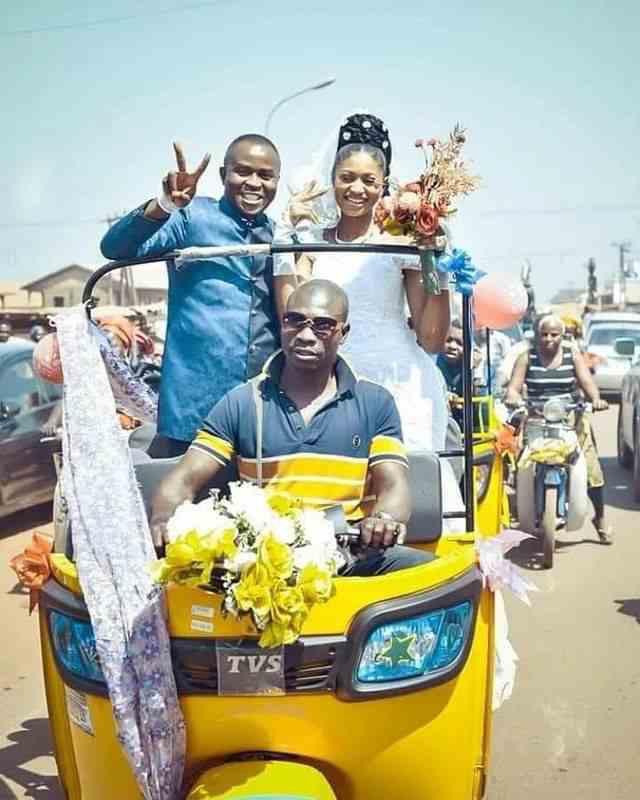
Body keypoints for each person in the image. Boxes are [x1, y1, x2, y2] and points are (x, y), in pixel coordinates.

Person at [150, 280, 432, 576]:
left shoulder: (375, 401)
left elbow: (394, 485)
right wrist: (162, 518)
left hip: (351, 558)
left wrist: (384, 518)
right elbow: (182, 480)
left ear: (343, 333)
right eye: (294, 321)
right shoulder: (242, 401)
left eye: (322, 325)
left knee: (437, 580)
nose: (306, 335)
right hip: (263, 563)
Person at [100, 135, 282, 457]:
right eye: (243, 172)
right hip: (193, 412)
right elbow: (114, 248)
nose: (254, 183)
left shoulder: (278, 234)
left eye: (265, 175)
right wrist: (165, 205)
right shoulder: (190, 217)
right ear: (223, 174)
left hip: (262, 409)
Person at [505, 313, 612, 543]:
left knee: (590, 467)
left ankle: (600, 518)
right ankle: (525, 508)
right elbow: (514, 387)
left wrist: (595, 399)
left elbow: (587, 382)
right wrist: (513, 396)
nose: (549, 339)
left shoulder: (572, 355)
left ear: (562, 337)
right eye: (544, 334)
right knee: (522, 464)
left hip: (570, 418)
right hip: (536, 419)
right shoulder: (527, 357)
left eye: (554, 335)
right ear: (536, 336)